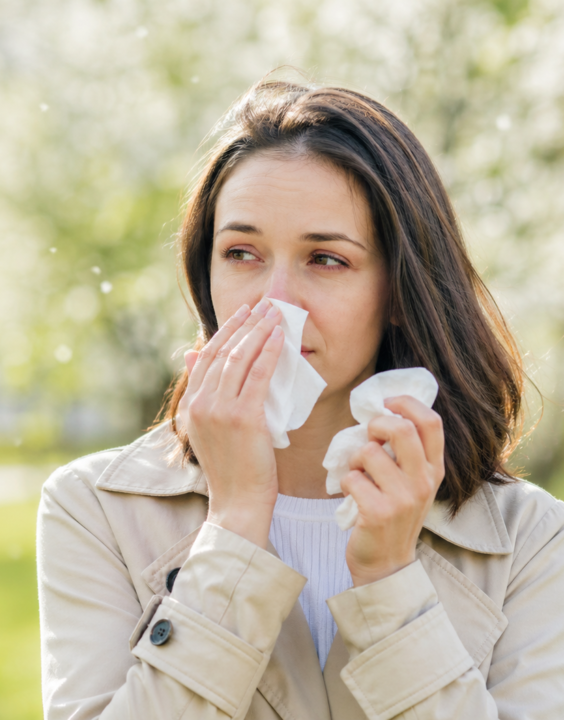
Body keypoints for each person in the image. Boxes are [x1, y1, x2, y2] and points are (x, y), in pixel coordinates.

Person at [36, 79, 564, 719]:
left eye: (326, 259)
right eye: (241, 253)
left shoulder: (530, 539)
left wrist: (390, 580)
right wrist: (233, 528)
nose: (274, 300)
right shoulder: (96, 510)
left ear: (398, 290)